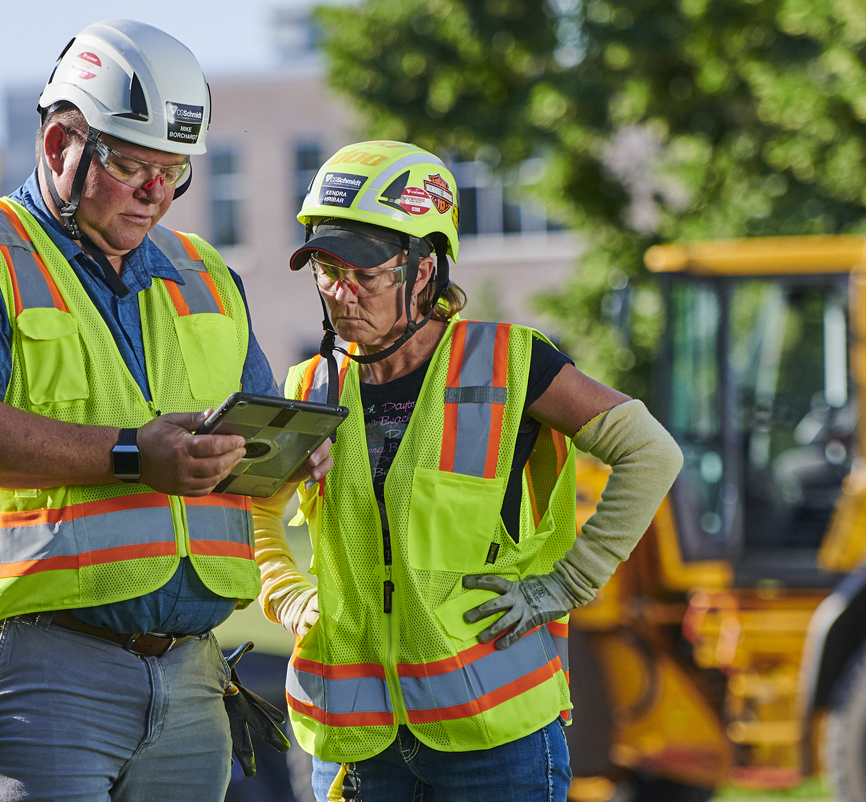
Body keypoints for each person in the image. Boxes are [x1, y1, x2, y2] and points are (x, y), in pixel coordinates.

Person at [0, 19, 319, 802]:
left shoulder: (207, 274)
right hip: (34, 671)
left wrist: (282, 455)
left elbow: (242, 437)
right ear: (59, 147)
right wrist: (131, 454)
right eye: (134, 166)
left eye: (174, 171)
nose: (157, 193)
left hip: (190, 670)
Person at [251, 141, 684, 801]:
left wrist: (563, 586)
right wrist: (283, 589)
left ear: (424, 269)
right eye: (325, 270)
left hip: (496, 742)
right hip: (357, 744)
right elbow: (254, 505)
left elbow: (651, 452)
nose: (341, 294)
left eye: (363, 273)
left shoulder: (508, 363)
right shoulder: (311, 385)